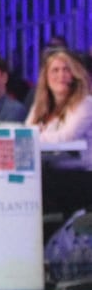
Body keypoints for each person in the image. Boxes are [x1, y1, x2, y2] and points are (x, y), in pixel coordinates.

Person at [26, 47, 92, 226]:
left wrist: (38, 136)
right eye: (55, 70)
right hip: (51, 171)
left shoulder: (85, 104)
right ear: (46, 77)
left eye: (66, 69)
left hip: (82, 175)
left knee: (39, 184)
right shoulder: (38, 108)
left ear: (74, 75)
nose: (61, 75)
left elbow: (66, 137)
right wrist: (35, 136)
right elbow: (26, 134)